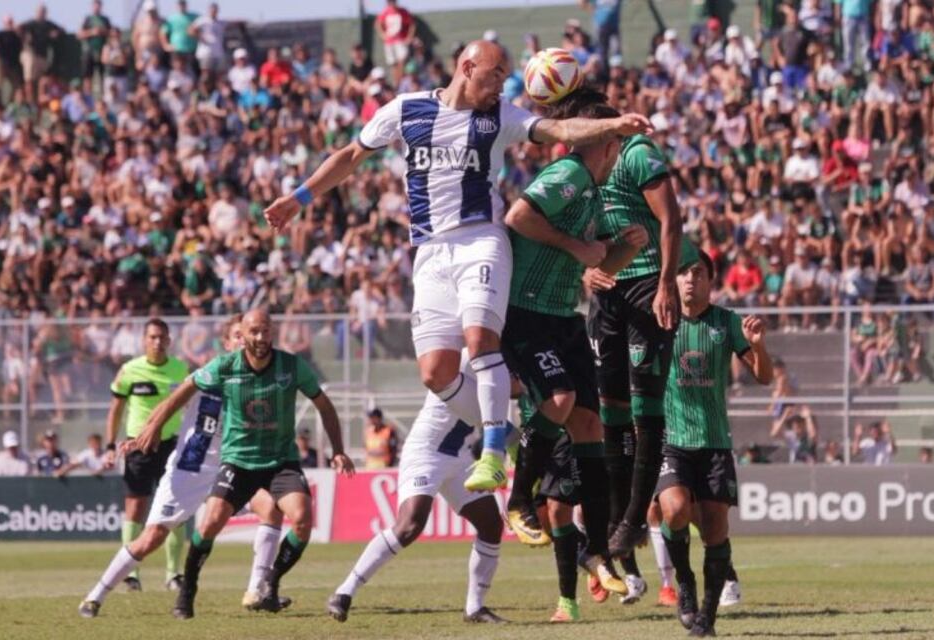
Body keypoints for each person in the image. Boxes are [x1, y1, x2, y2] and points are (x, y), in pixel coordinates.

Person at [264, 40, 651, 494]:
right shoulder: (405, 110)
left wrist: (612, 125)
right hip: (429, 252)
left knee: (480, 340)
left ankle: (489, 453)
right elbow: (351, 156)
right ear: (467, 67)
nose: (502, 84)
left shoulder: (500, 116)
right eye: (496, 73)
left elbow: (557, 128)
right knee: (435, 372)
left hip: (480, 241)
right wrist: (298, 198)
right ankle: (506, 437)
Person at [501, 100, 651, 619]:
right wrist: (574, 245)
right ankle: (520, 500)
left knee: (591, 425)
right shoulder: (567, 173)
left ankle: (604, 550)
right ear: (605, 142)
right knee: (562, 400)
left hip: (564, 317)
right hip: (528, 314)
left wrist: (627, 247)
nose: (619, 155)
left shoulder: (592, 193)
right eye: (618, 145)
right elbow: (518, 216)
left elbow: (597, 265)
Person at [129, 309, 353, 619]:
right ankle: (187, 591)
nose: (260, 338)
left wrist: (338, 449)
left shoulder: (291, 365)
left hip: (280, 461)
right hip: (239, 461)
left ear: (272, 332)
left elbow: (324, 406)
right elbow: (184, 391)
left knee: (302, 519)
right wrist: (154, 425)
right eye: (254, 332)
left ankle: (269, 585)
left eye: (265, 331)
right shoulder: (225, 366)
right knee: (210, 523)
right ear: (243, 334)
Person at [553, 88, 697, 559]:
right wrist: (587, 269)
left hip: (646, 285)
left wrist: (666, 284)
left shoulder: (636, 152)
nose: (574, 143)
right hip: (608, 293)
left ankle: (635, 516)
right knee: (610, 407)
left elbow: (670, 218)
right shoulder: (584, 167)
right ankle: (618, 516)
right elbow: (582, 235)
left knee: (643, 405)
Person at [78, 316, 295, 617]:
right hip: (190, 468)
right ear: (228, 343)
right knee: (151, 538)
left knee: (271, 508)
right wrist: (144, 434)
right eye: (237, 335)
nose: (246, 341)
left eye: (247, 335)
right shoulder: (208, 375)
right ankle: (95, 596)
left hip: (230, 468)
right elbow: (169, 404)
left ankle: (256, 590)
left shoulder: (257, 381)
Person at [327, 356, 506, 624]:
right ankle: (344, 592)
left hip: (460, 455)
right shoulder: (468, 356)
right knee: (410, 525)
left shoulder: (493, 353)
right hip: (427, 452)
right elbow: (497, 400)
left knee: (491, 523)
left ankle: (475, 608)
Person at [656, 252, 773, 637]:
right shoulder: (661, 321)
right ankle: (684, 584)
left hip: (715, 443)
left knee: (714, 531)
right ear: (673, 281)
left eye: (698, 273)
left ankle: (707, 618)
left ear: (710, 281)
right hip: (672, 440)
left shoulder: (727, 323)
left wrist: (757, 346)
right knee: (672, 511)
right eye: (684, 273)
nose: (690, 279)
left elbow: (764, 378)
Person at [103, 318, 190, 592]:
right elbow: (115, 410)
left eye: (162, 337)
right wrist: (110, 445)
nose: (157, 342)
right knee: (135, 508)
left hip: (171, 445)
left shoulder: (180, 369)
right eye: (152, 337)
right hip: (138, 446)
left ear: (169, 340)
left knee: (177, 509)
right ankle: (132, 575)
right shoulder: (129, 370)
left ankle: (173, 574)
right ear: (143, 340)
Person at [18, 4, 62, 104]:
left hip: (43, 55)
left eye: (43, 12)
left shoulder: (48, 24)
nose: (41, 14)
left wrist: (55, 34)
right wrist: (25, 37)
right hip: (31, 53)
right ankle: (29, 101)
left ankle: (38, 101)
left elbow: (60, 29)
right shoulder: (31, 23)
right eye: (40, 11)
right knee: (29, 79)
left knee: (41, 80)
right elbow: (18, 28)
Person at [376, 0, 416, 85]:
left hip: (400, 41)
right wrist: (383, 35)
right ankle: (396, 83)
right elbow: (378, 24)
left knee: (402, 60)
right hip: (389, 42)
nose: (392, 3)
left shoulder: (403, 11)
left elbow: (412, 24)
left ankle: (400, 82)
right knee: (393, 64)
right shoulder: (385, 12)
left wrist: (409, 37)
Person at [0, 16, 23, 97]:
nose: (9, 24)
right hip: (2, 62)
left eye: (11, 22)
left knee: (17, 85)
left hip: (13, 64)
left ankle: (11, 102)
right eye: (8, 22)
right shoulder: (0, 33)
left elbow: (20, 47)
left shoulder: (16, 35)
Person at [78, 0, 112, 87]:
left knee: (103, 74)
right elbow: (80, 34)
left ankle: (103, 97)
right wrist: (92, 32)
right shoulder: (87, 19)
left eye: (98, 5)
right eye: (95, 5)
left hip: (102, 52)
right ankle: (88, 96)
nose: (97, 7)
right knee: (87, 75)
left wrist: (102, 32)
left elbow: (112, 33)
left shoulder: (105, 20)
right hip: (89, 51)